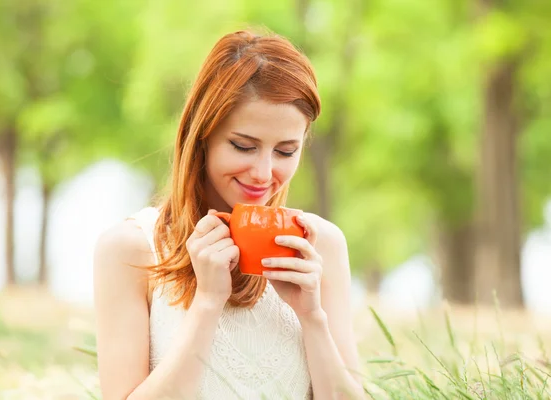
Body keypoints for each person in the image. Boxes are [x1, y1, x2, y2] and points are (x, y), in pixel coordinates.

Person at [93, 29, 365, 400]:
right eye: (244, 146)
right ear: (201, 134)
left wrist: (312, 317)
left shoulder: (320, 246)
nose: (264, 173)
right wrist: (207, 304)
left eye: (286, 151)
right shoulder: (130, 249)